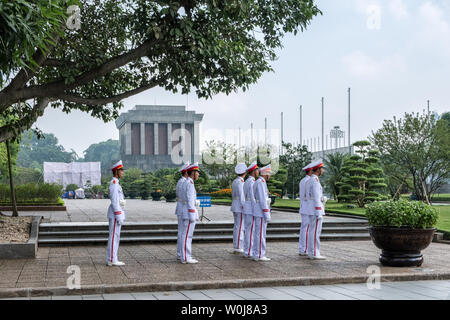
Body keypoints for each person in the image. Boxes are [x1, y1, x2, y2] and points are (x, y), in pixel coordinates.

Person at [305, 160, 327, 260]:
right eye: (322, 168)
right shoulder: (315, 180)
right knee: (315, 232)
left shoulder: (310, 179)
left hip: (311, 209)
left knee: (312, 231)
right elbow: (316, 196)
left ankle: (311, 252)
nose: (323, 170)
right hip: (315, 210)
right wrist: (319, 212)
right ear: (318, 170)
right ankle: (314, 252)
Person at [106, 160, 126, 266]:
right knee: (114, 236)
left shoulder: (116, 183)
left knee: (115, 236)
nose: (122, 172)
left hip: (116, 213)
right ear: (116, 171)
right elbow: (114, 201)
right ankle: (112, 259)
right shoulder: (114, 184)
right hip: (115, 214)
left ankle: (112, 258)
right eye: (121, 170)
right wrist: (119, 215)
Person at [180, 162, 200, 264]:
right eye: (197, 172)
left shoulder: (186, 182)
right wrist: (192, 213)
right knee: (187, 235)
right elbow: (189, 199)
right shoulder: (190, 184)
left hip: (185, 211)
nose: (198, 174)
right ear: (193, 172)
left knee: (185, 234)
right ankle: (186, 257)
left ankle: (185, 256)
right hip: (188, 212)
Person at [252, 164, 272, 262]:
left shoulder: (260, 182)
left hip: (259, 211)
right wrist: (266, 213)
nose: (270, 175)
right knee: (260, 234)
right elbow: (262, 200)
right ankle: (259, 254)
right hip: (260, 211)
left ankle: (257, 253)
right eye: (269, 173)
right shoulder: (260, 183)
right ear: (265, 173)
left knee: (259, 233)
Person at [242, 161, 258, 259]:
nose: (258, 172)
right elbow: (253, 197)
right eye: (257, 170)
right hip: (251, 208)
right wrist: (255, 207)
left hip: (247, 207)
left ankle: (247, 250)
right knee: (251, 230)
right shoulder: (252, 182)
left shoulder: (247, 181)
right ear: (253, 171)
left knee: (248, 230)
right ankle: (249, 250)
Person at [230, 163, 247, 254]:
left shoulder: (235, 181)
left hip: (235, 205)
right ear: (244, 172)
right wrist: (244, 206)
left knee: (237, 226)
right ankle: (238, 246)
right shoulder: (240, 182)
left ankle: (237, 245)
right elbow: (242, 195)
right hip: (240, 206)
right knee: (240, 227)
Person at [175, 162, 190, 261]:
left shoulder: (180, 181)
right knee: (183, 232)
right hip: (184, 207)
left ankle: (180, 253)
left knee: (181, 232)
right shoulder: (185, 182)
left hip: (180, 207)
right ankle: (182, 253)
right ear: (186, 173)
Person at [298, 162, 313, 256]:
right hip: (308, 207)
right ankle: (304, 249)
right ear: (311, 171)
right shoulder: (309, 181)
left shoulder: (303, 180)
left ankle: (303, 248)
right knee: (307, 229)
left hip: (304, 206)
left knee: (304, 228)